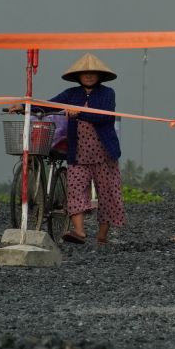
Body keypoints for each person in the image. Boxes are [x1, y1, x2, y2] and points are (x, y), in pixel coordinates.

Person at [45, 54, 125, 246]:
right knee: (75, 191)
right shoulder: (70, 94)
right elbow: (50, 104)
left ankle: (102, 237)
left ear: (99, 76)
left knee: (108, 195)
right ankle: (79, 232)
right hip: (78, 154)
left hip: (104, 154)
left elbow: (104, 117)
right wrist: (25, 106)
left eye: (92, 73)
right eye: (85, 73)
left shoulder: (108, 93)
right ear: (78, 76)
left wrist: (79, 112)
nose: (88, 76)